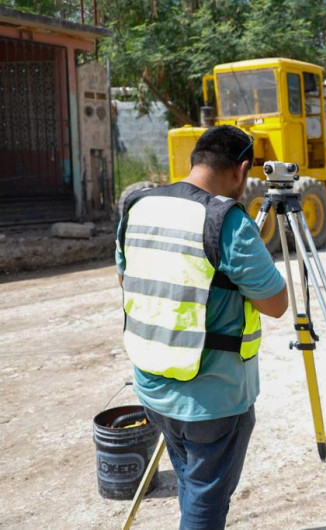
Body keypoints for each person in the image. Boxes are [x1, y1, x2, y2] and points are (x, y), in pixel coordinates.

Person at [115, 125, 288, 529]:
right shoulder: (226, 219)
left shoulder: (138, 205)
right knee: (205, 506)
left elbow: (126, 277)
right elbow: (276, 304)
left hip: (152, 387)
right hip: (212, 400)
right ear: (242, 169)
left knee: (193, 487)